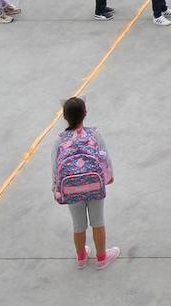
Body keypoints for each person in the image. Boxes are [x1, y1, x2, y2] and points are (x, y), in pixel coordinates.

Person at [52, 97, 119, 270]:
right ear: (85, 114)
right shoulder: (94, 134)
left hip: (71, 188)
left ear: (64, 116)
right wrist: (108, 176)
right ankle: (102, 257)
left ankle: (81, 257)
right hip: (94, 185)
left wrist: (57, 188)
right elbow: (105, 157)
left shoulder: (59, 140)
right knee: (98, 221)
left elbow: (55, 166)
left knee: (78, 224)